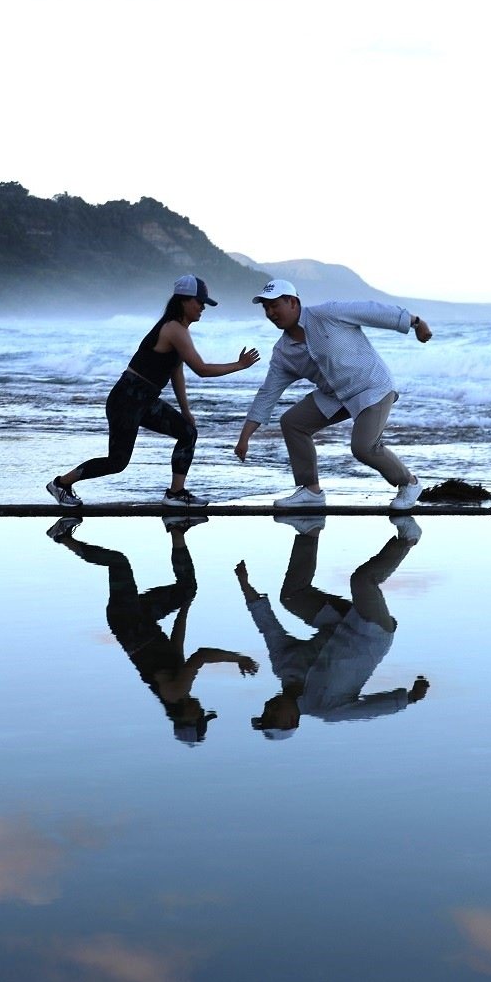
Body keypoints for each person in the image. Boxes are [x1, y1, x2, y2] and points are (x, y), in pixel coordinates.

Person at [48, 275, 261, 508]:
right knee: (117, 462)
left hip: (144, 400)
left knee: (187, 432)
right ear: (183, 301)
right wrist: (239, 365)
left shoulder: (177, 330)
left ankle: (175, 494)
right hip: (127, 399)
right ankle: (61, 484)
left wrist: (185, 411)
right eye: (199, 301)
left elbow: (176, 370)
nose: (202, 307)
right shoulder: (173, 329)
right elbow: (201, 369)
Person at [48, 515, 259, 744]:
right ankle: (176, 530)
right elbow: (176, 645)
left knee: (118, 563)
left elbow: (201, 656)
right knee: (187, 589)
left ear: (186, 718)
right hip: (141, 620)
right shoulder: (173, 691)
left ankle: (62, 537)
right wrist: (185, 607)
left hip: (129, 621)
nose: (201, 710)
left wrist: (237, 658)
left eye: (199, 717)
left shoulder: (176, 693)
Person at [233, 278, 433, 510]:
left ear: (293, 302)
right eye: (265, 308)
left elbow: (373, 312)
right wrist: (245, 437)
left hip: (372, 387)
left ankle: (409, 483)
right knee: (292, 422)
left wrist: (416, 322)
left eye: (274, 305)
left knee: (363, 447)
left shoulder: (328, 314)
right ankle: (311, 490)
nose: (270, 312)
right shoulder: (283, 353)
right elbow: (267, 394)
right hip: (336, 396)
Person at [238, 515, 429, 740]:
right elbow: (369, 710)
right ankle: (408, 538)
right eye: (272, 717)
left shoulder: (283, 667)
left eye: (264, 713)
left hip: (337, 621)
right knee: (361, 580)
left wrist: (245, 585)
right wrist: (409, 698)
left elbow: (268, 628)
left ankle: (309, 528)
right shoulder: (327, 709)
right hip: (371, 633)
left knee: (292, 597)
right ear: (292, 720)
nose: (268, 709)